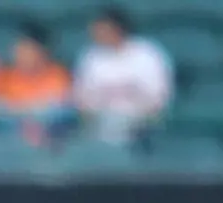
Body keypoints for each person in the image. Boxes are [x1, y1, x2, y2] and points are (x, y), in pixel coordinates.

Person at [73, 6, 172, 146]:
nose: (97, 33)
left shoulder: (148, 53)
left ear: (118, 29)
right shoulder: (90, 57)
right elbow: (82, 100)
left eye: (103, 29)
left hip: (142, 124)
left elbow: (159, 98)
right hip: (100, 124)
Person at [0, 24, 72, 146]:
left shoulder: (58, 75)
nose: (19, 54)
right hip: (10, 135)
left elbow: (59, 107)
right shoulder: (3, 76)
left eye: (26, 49)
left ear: (42, 51)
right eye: (18, 49)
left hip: (47, 133)